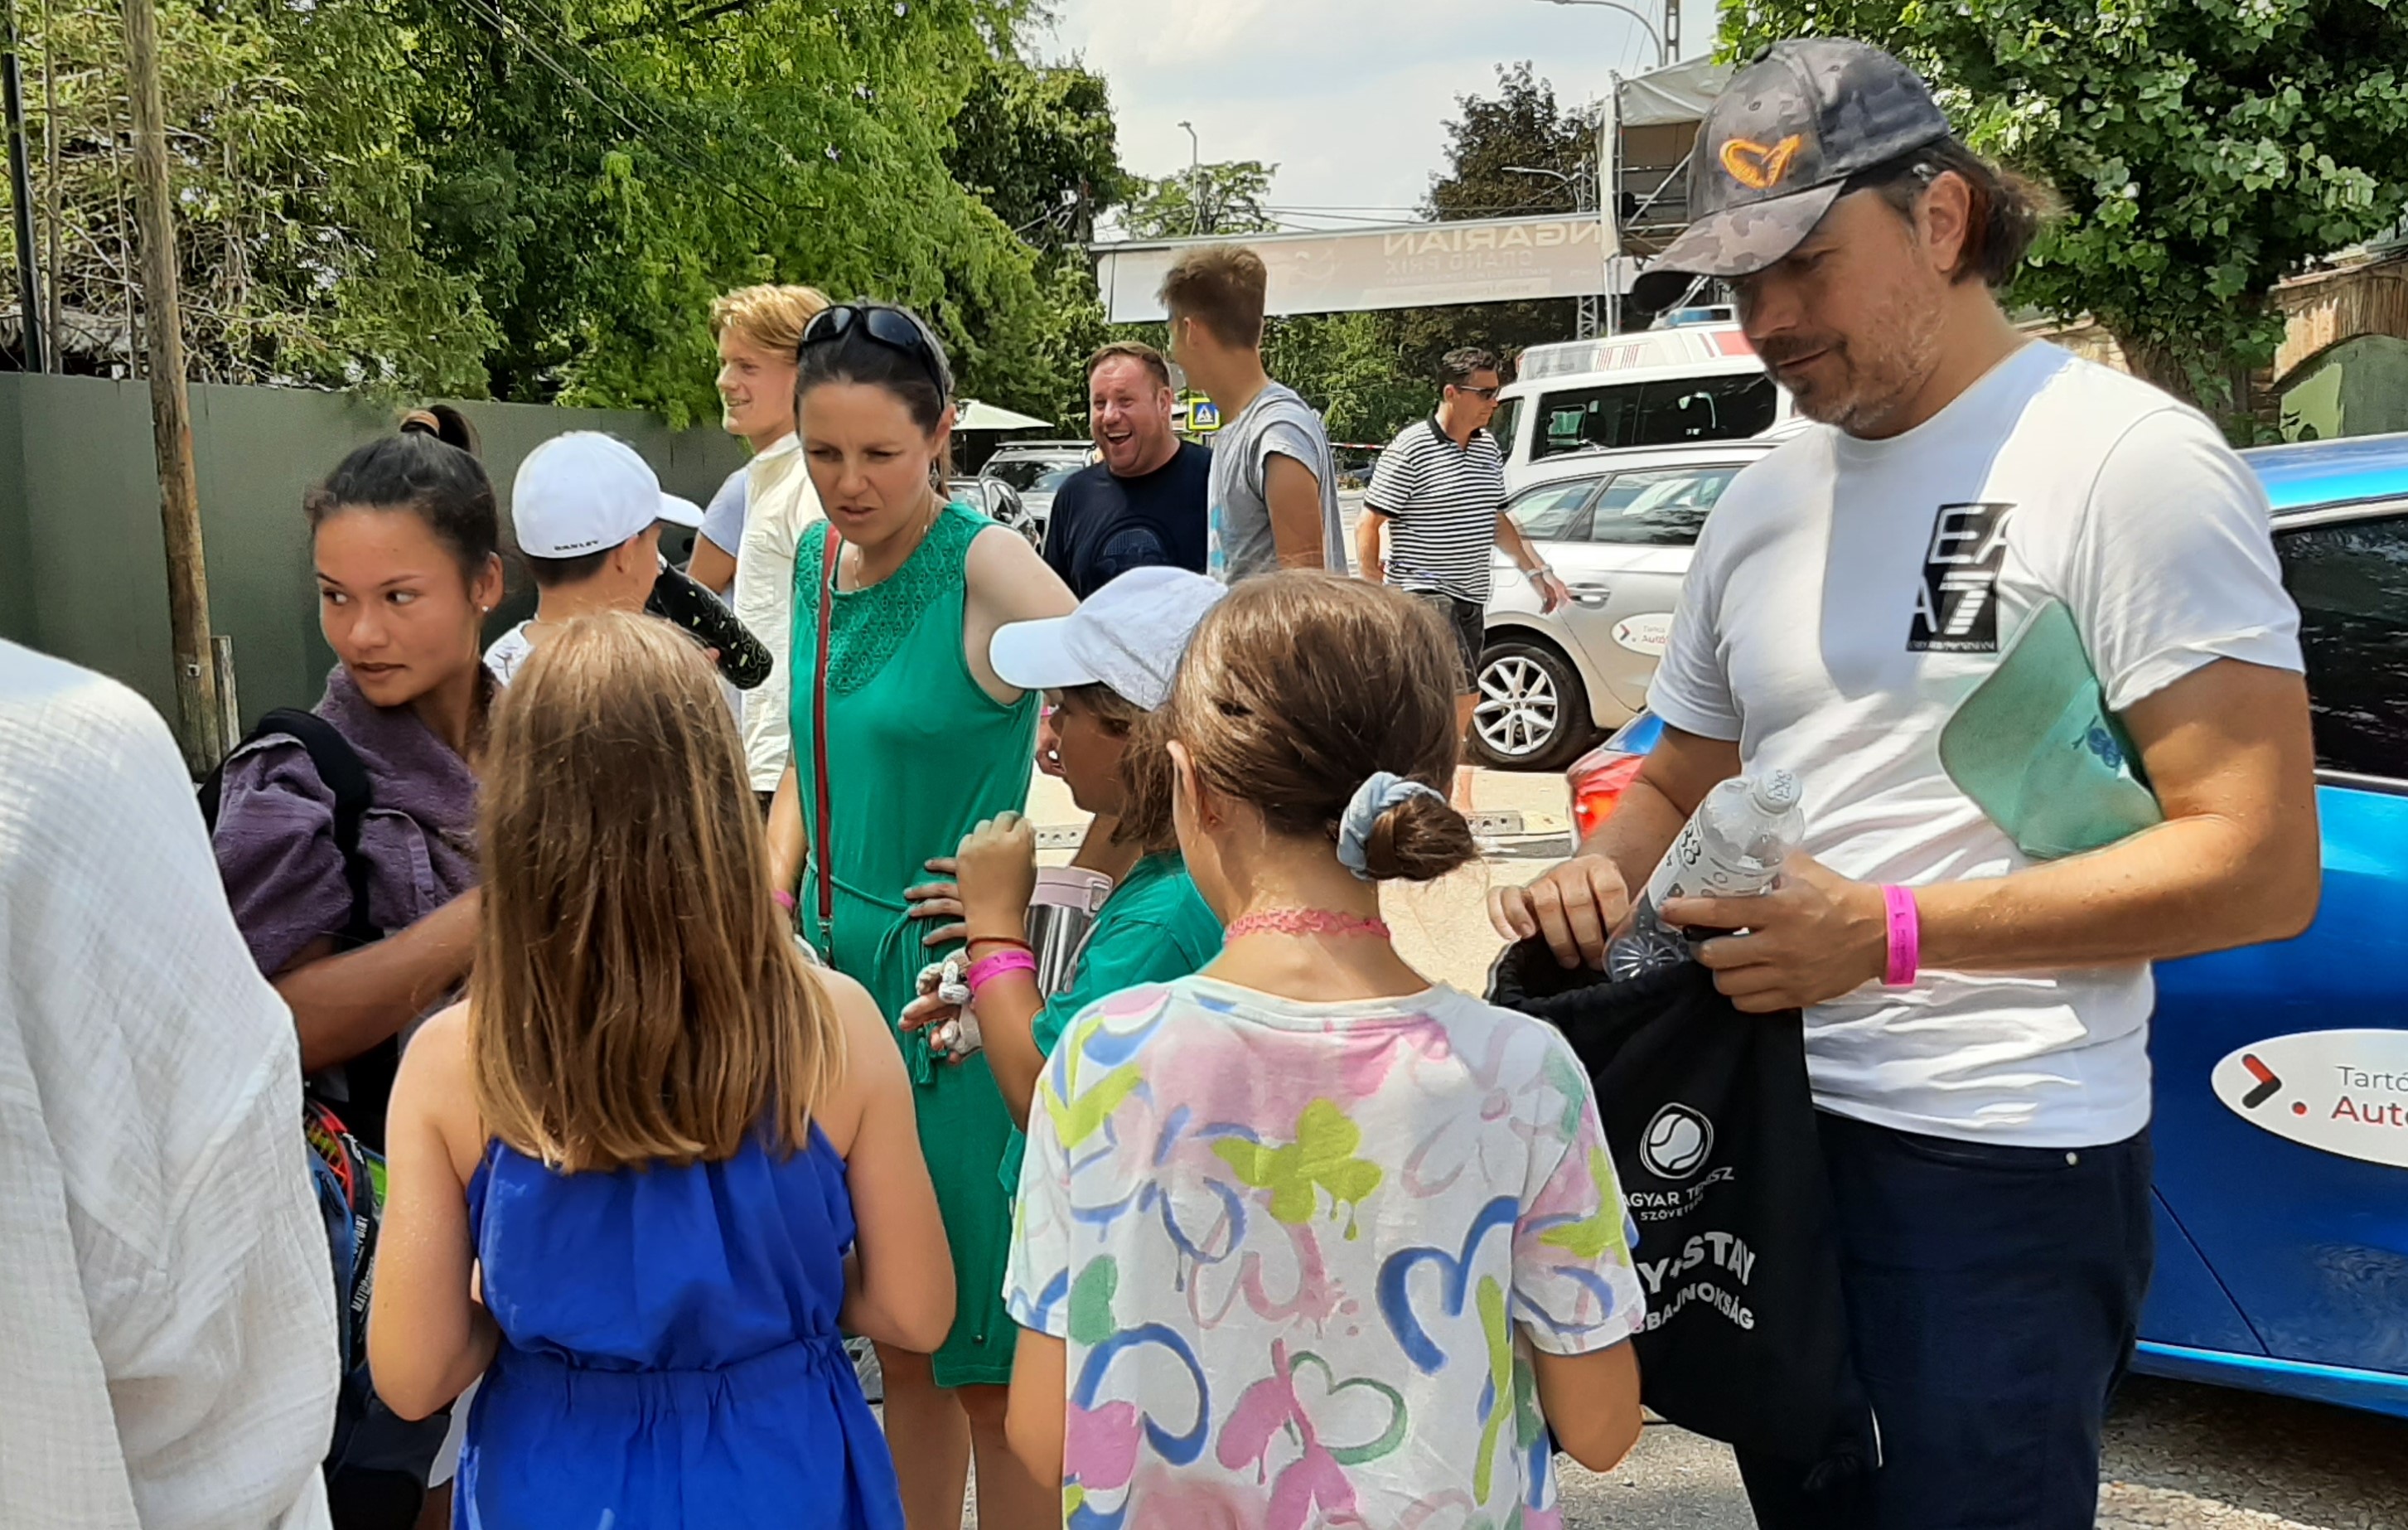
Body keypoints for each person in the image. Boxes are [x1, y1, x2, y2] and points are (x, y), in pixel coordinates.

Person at [1492, 38, 2319, 1529]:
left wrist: (1887, 934)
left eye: (1801, 263)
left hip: (1999, 1157)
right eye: (1739, 284)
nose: (1765, 322)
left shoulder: (2125, 462)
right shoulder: (1761, 500)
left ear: (1940, 221)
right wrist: (1595, 885)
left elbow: (2259, 859)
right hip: (1766, 1139)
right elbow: (1681, 768)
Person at [1002, 572, 1646, 1523]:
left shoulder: (1103, 1056)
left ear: (1191, 786)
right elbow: (1600, 1426)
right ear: (1427, 784)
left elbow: (1042, 1431)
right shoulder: (1521, 1071)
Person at [367, 613, 950, 1530]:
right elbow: (917, 1313)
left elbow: (412, 1373)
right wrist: (784, 1298)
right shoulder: (832, 1023)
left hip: (555, 1477)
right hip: (783, 1468)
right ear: (718, 796)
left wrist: (508, 1313)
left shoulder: (459, 1056)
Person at [764, 300, 1076, 1530]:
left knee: (983, 1357)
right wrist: (763, 892)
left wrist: (1049, 879)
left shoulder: (984, 563)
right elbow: (806, 749)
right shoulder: (812, 564)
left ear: (940, 435)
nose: (847, 484)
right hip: (822, 983)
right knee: (895, 1344)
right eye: (821, 453)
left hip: (943, 998)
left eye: (879, 454)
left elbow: (1146, 707)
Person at [2, 639, 340, 1529]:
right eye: (336, 593)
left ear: (484, 585)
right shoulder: (70, 758)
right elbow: (236, 1355)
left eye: (399, 594)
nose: (365, 633)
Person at [897, 565, 1227, 1188]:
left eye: (1065, 711)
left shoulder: (1164, 917)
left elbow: (1040, 1093)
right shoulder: (1178, 871)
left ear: (1137, 734)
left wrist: (994, 928)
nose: (1049, 734)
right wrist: (995, 1008)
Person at [1357, 345, 1569, 807]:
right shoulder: (1410, 448)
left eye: (1497, 392)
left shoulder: (1487, 448)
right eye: (1486, 393)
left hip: (1472, 594)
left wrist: (1537, 571)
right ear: (1452, 393)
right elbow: (1370, 523)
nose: (1494, 403)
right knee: (1463, 699)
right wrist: (1373, 590)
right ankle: (1452, 803)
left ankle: (1418, 796)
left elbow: (1496, 518)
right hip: (1423, 594)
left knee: (1443, 708)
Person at [1158, 245, 1347, 581]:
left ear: (1192, 331)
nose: (1172, 351)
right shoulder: (1241, 429)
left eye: (1170, 332)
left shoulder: (1277, 431)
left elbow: (1307, 596)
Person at [716, 283, 834, 801]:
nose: (725, 381)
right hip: (767, 765)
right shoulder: (771, 477)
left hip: (795, 776)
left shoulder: (812, 483)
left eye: (746, 366)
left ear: (804, 374)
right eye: (724, 363)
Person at [481, 432, 705, 684]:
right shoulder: (652, 675)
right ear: (627, 554)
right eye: (654, 542)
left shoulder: (497, 663)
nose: (657, 569)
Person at [1041, 341, 1211, 598]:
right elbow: (1053, 610)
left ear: (1164, 403)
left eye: (1125, 401)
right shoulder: (1074, 497)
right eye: (1099, 403)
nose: (1109, 416)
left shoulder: (1214, 480)